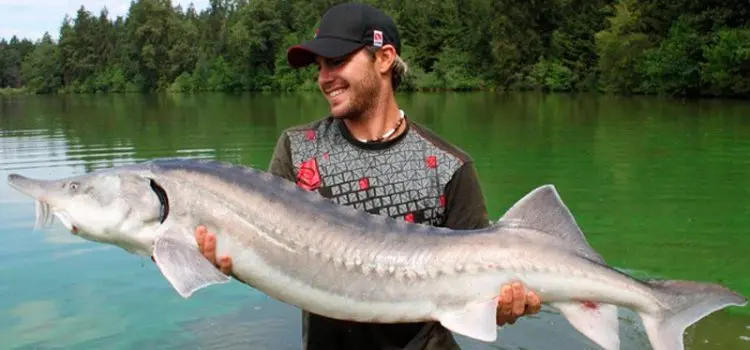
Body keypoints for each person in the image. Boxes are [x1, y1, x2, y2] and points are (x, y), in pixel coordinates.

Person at [194, 3, 541, 349]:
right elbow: (275, 259)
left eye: (337, 61)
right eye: (319, 67)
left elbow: (478, 288)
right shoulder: (298, 150)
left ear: (385, 58)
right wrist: (223, 259)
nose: (324, 78)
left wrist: (501, 306)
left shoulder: (449, 165)